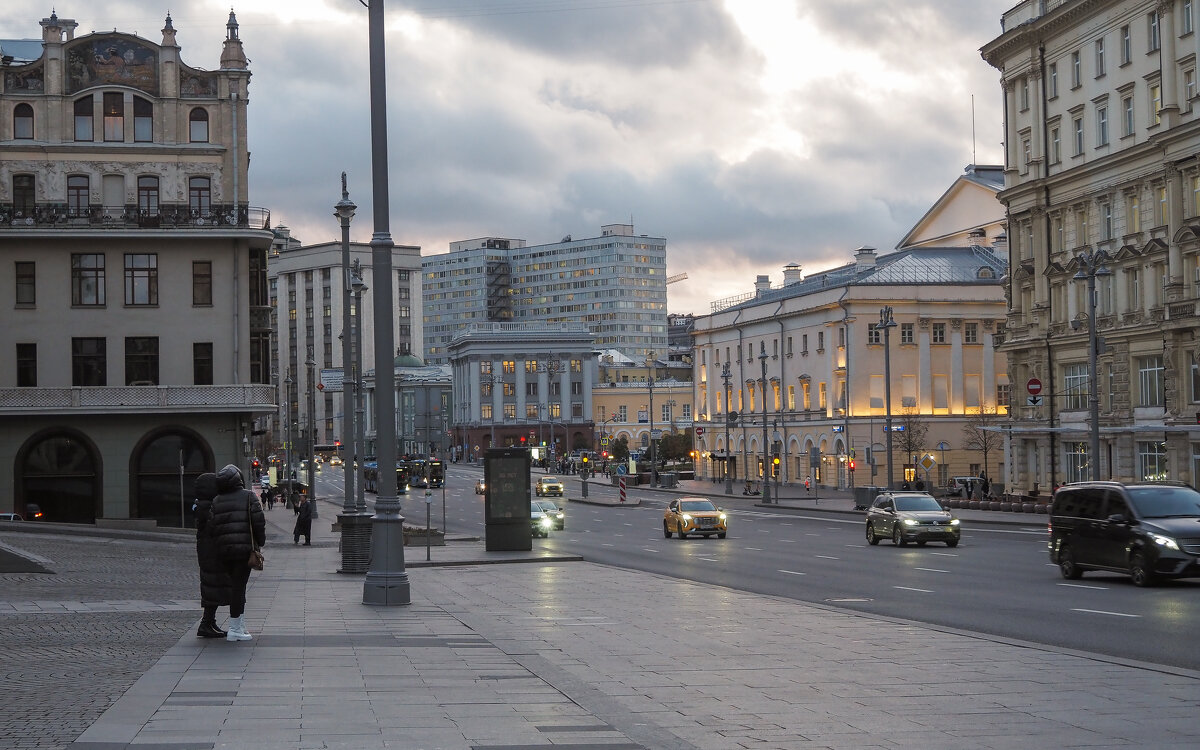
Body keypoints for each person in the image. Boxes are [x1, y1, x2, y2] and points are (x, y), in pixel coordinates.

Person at [209, 464, 266, 642]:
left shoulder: (217, 500)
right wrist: (260, 542)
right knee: (239, 588)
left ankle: (239, 624)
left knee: (235, 587)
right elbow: (258, 522)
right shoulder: (249, 496)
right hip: (243, 550)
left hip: (224, 552)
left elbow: (211, 527)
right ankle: (235, 628)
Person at [192, 472, 231, 639]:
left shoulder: (202, 505)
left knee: (212, 587)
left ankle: (210, 622)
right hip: (212, 554)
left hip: (207, 553)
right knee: (212, 587)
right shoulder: (209, 507)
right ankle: (206, 623)